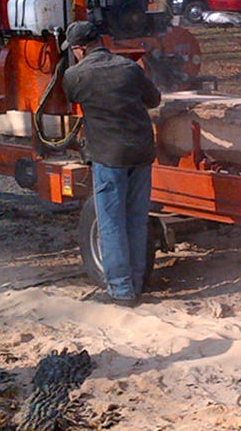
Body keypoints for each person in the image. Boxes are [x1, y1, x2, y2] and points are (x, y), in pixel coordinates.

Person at [62, 21, 161, 306]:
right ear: (100, 40)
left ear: (79, 49)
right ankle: (136, 283)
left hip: (109, 157)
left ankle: (120, 291)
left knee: (111, 223)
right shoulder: (129, 69)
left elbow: (71, 99)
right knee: (136, 219)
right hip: (141, 153)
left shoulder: (75, 76)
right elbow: (153, 100)